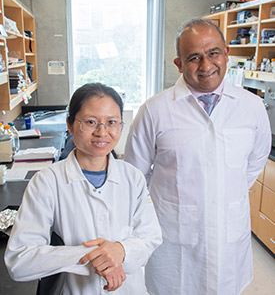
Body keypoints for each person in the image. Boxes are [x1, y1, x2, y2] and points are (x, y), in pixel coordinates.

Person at [124, 18, 271, 295]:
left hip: (229, 238)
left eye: (213, 53)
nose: (206, 65)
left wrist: (221, 193)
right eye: (194, 57)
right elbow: (134, 176)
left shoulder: (251, 108)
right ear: (179, 64)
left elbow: (254, 163)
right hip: (174, 242)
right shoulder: (154, 111)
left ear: (226, 53)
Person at [5, 83, 162, 295]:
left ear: (121, 126)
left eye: (112, 122)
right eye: (90, 122)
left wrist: (121, 251)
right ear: (69, 124)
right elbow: (19, 262)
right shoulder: (47, 182)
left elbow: (151, 236)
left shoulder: (132, 178)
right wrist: (94, 255)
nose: (102, 132)